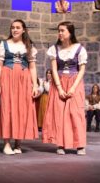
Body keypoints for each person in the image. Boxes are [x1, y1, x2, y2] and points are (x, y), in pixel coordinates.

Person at [42, 21, 88, 156]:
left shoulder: (79, 49)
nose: (60, 33)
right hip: (59, 82)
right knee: (59, 114)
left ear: (70, 32)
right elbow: (54, 70)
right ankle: (60, 144)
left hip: (75, 83)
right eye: (59, 31)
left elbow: (81, 70)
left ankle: (80, 145)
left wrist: (73, 88)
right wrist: (59, 88)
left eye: (62, 30)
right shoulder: (54, 49)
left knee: (76, 113)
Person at [0, 19, 39, 155]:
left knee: (22, 109)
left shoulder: (29, 46)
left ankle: (18, 143)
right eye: (13, 27)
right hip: (7, 77)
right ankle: (7, 143)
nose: (14, 30)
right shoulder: (4, 44)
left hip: (24, 79)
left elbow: (32, 67)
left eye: (18, 27)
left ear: (23, 30)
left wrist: (35, 85)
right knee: (7, 108)